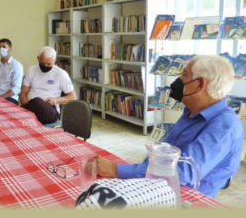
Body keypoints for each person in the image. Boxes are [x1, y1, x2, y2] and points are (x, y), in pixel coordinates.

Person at [89, 55, 244, 198]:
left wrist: (115, 170)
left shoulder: (225, 125)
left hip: (186, 199)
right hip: (158, 185)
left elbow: (183, 173)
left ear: (200, 84)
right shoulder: (191, 112)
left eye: (184, 74)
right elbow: (166, 155)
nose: (178, 79)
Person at [19, 46, 76, 124]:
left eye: (49, 64)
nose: (45, 66)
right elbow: (23, 93)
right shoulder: (31, 70)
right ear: (38, 58)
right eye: (42, 63)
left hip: (50, 111)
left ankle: (27, 115)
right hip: (31, 107)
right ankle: (29, 116)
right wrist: (26, 108)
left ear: (55, 61)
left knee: (37, 101)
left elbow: (73, 97)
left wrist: (56, 100)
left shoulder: (61, 74)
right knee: (32, 104)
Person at [0, 38, 23, 105]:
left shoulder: (17, 65)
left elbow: (16, 88)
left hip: (10, 98)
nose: (1, 49)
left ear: (10, 49)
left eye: (4, 47)